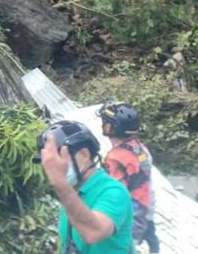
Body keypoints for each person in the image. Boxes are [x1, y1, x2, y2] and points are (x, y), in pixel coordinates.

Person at [35, 120, 134, 254]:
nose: (52, 167)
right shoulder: (72, 193)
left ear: (84, 155)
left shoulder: (113, 192)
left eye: (59, 158)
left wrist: (60, 183)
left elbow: (93, 232)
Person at [98, 102, 159, 253]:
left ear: (112, 127)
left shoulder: (115, 158)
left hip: (128, 220)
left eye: (106, 122)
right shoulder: (140, 149)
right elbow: (147, 187)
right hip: (143, 213)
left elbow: (112, 196)